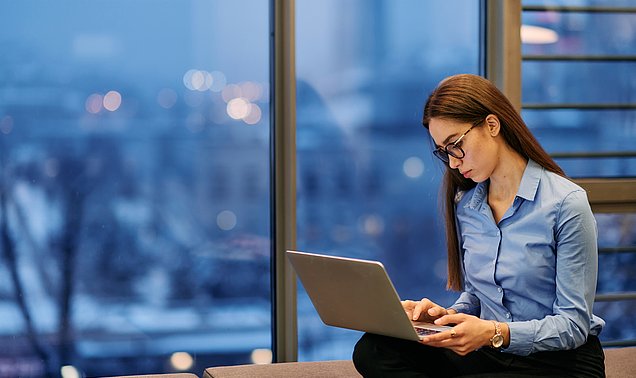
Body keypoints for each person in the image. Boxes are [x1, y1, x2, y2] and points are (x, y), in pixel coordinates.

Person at [352, 74, 606, 378]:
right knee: (373, 349)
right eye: (443, 151)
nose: (453, 162)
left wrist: (491, 333)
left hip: (560, 361)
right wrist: (444, 317)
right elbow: (477, 297)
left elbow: (573, 325)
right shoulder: (468, 206)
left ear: (492, 125)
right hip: (493, 353)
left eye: (455, 144)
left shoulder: (566, 203)